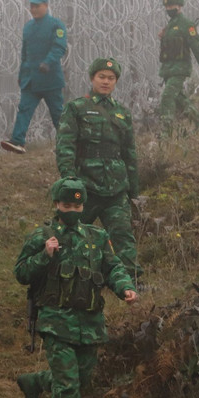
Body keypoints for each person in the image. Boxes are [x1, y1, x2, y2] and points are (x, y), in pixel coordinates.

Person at [14, 176, 137, 398]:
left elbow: (113, 267)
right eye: (66, 204)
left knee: (79, 381)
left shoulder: (96, 237)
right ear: (57, 204)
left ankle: (34, 382)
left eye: (76, 205)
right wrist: (45, 255)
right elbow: (21, 273)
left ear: (83, 206)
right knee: (69, 388)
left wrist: (125, 288)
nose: (71, 209)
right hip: (56, 323)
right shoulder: (42, 236)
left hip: (90, 325)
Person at [56, 57, 141, 280]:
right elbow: (65, 146)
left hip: (116, 188)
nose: (106, 82)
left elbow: (129, 153)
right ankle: (62, 279)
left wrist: (134, 190)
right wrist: (69, 180)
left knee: (123, 237)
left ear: (116, 82)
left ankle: (129, 283)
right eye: (101, 77)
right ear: (92, 78)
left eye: (111, 78)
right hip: (85, 188)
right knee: (70, 235)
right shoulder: (76, 108)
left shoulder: (122, 113)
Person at [0, 0, 68, 154]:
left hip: (50, 79)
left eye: (37, 6)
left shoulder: (56, 25)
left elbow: (59, 47)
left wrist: (48, 62)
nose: (34, 9)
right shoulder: (28, 27)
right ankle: (18, 141)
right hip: (30, 79)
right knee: (24, 109)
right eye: (32, 6)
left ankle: (67, 144)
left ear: (46, 6)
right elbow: (25, 53)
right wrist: (22, 74)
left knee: (58, 113)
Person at [157, 0, 199, 136]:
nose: (169, 10)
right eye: (167, 7)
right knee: (180, 99)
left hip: (180, 69)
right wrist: (162, 37)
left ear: (180, 6)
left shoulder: (187, 25)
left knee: (168, 96)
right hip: (168, 69)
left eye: (172, 6)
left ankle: (166, 132)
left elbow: (196, 47)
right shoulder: (169, 26)